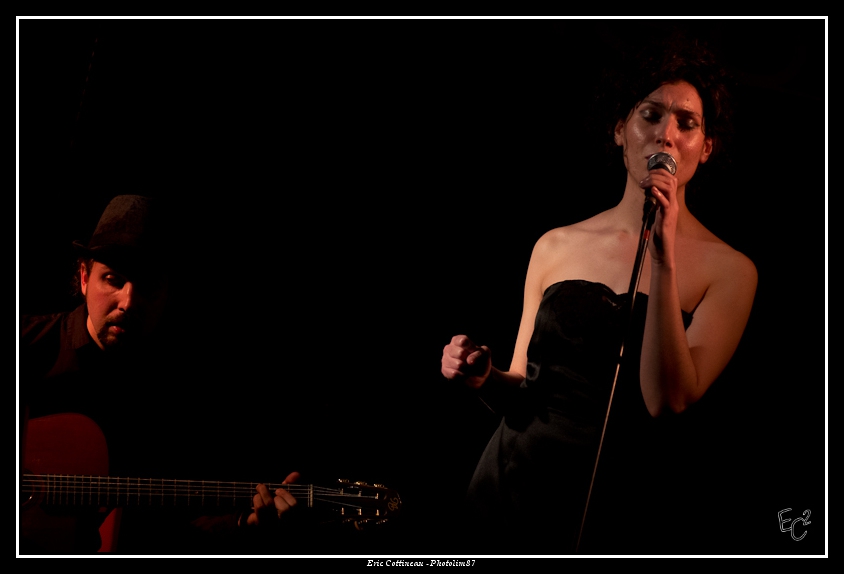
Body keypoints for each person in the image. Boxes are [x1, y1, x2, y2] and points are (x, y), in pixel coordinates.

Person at [440, 34, 758, 554]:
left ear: (707, 147)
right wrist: (483, 378)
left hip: (615, 508)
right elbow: (521, 390)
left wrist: (664, 259)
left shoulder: (731, 271)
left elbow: (667, 400)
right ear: (619, 130)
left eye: (687, 123)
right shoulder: (556, 245)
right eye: (650, 115)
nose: (667, 134)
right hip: (509, 489)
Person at [19, 195, 300, 554]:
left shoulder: (175, 395)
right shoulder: (27, 345)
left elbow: (170, 526)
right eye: (113, 279)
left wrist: (244, 523)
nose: (128, 302)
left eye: (148, 288)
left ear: (166, 297)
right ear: (85, 278)